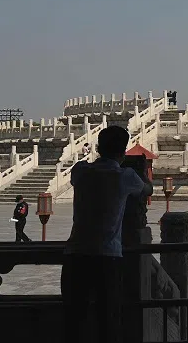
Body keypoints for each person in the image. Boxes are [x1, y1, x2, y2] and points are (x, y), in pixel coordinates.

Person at [61, 125, 153, 343]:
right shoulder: (125, 177)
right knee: (108, 320)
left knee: (74, 319)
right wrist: (141, 172)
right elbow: (147, 190)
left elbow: (81, 174)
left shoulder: (81, 171)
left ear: (99, 147)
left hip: (75, 254)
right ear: (123, 151)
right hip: (107, 257)